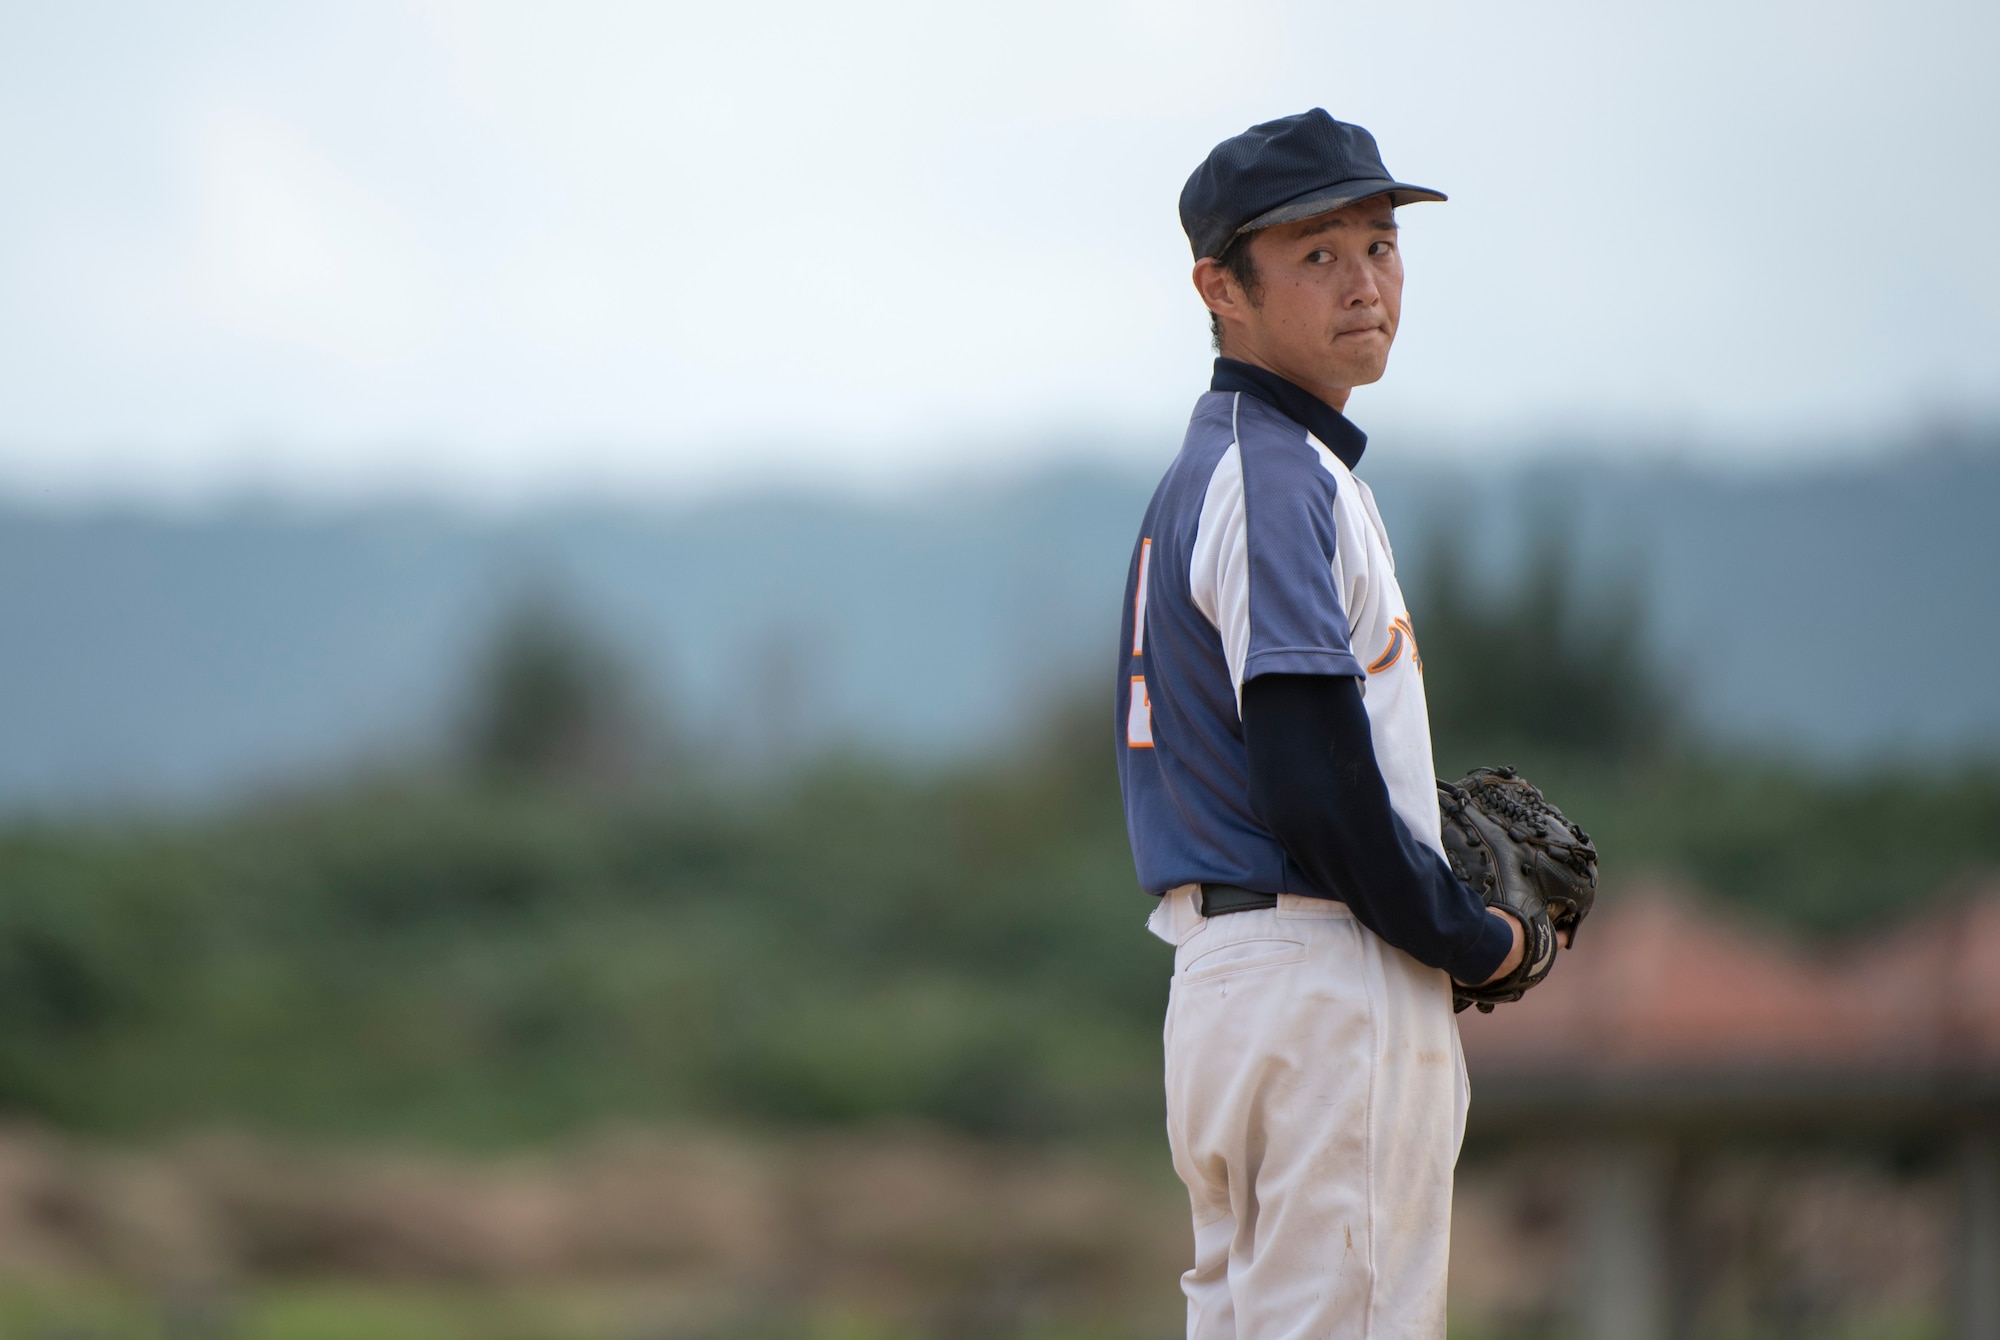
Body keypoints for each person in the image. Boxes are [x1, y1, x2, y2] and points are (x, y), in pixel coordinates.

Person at [1114, 109, 1539, 1337]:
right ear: (1219, 285)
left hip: (1233, 983)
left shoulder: (1217, 467)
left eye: (1379, 245)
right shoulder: (1276, 473)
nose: (1364, 283)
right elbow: (1309, 778)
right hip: (1320, 978)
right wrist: (1471, 936)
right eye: (1315, 254)